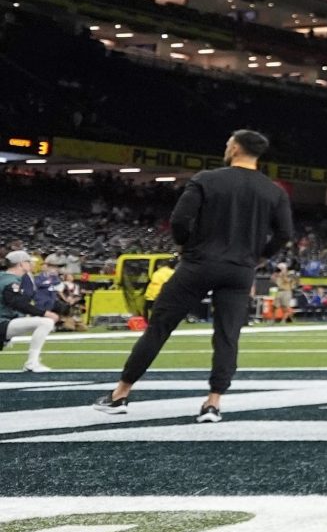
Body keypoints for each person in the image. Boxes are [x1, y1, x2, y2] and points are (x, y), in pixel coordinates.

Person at [94, 129, 293, 425]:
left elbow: (179, 220)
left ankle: (120, 393)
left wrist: (186, 246)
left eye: (228, 143)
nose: (226, 147)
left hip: (199, 263)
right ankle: (213, 402)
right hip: (240, 269)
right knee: (227, 335)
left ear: (236, 148)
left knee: (159, 327)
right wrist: (258, 257)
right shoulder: (273, 191)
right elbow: (285, 234)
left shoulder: (207, 179)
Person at [2, 250, 60, 373]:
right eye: (28, 262)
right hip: (2, 322)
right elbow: (17, 303)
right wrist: (45, 313)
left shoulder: (5, 278)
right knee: (46, 322)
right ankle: (32, 363)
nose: (31, 264)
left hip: (5, 322)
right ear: (21, 264)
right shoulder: (10, 282)